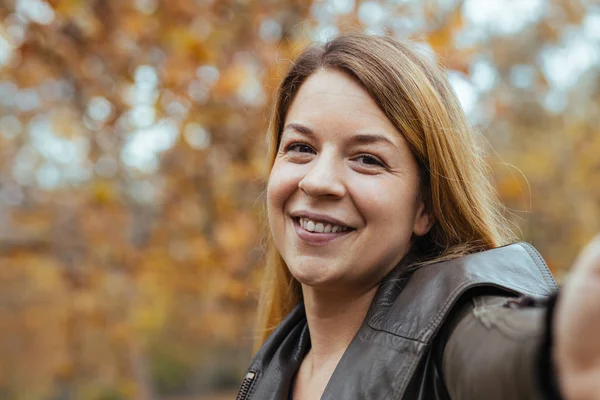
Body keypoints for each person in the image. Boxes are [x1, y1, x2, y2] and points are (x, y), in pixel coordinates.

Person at [235, 33, 600, 400]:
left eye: (367, 159)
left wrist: (562, 353)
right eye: (300, 148)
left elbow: (501, 355)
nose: (317, 182)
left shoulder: (458, 331)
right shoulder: (277, 361)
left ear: (424, 207)